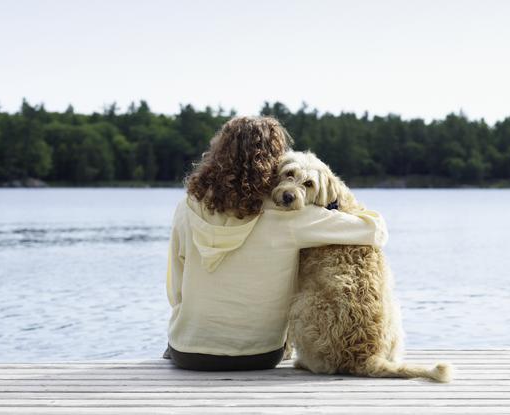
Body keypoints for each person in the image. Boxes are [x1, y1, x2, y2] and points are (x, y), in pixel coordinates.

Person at [164, 116, 388, 371]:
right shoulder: (290, 216)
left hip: (188, 353)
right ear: (273, 163)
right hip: (260, 354)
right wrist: (337, 197)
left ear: (216, 154)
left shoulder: (186, 207)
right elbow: (375, 231)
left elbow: (175, 290)